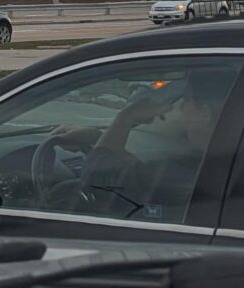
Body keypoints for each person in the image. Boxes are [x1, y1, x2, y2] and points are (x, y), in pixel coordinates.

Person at [54, 73, 231, 222]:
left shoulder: (192, 172)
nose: (183, 109)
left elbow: (96, 177)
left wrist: (126, 117)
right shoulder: (227, 162)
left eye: (186, 101)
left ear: (205, 114)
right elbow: (138, 176)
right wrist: (96, 140)